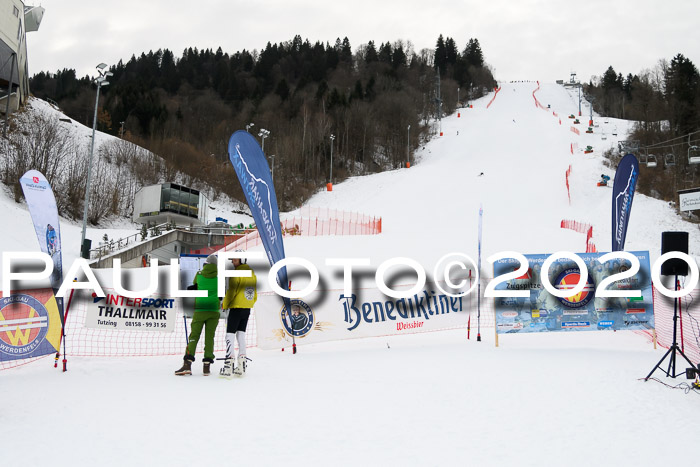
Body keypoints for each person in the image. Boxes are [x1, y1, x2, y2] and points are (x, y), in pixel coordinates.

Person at [175, 254, 220, 376]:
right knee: (209, 338)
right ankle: (207, 367)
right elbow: (221, 295)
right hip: (214, 311)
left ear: (205, 264)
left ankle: (187, 364)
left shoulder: (199, 275)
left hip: (200, 310)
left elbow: (195, 286)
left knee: (194, 336)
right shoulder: (220, 277)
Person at [220, 250, 257, 377]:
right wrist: (249, 302)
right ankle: (242, 364)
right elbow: (254, 292)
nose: (233, 262)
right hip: (247, 308)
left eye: (235, 260)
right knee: (241, 334)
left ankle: (229, 364)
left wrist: (225, 303)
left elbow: (232, 291)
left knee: (229, 334)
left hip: (236, 307)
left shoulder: (237, 273)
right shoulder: (252, 274)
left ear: (242, 260)